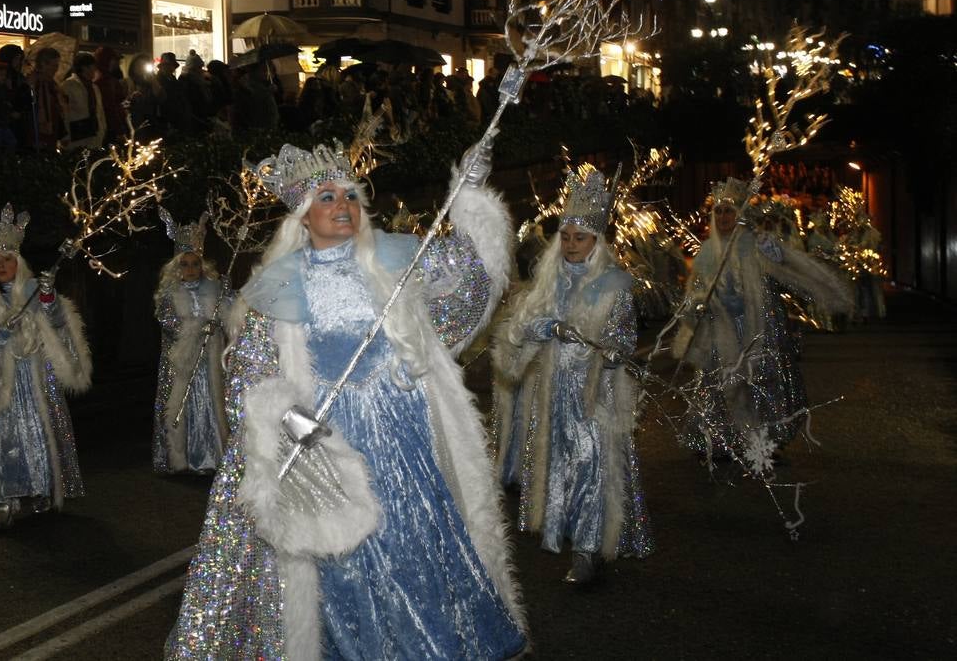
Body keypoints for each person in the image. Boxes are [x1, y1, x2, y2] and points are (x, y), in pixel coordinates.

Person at [166, 139, 528, 659]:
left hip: (405, 437)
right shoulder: (277, 287)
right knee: (350, 561)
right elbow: (252, 385)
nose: (343, 206)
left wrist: (468, 191)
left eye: (350, 195)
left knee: (416, 549)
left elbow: (474, 278)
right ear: (303, 218)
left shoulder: (398, 260)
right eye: (327, 197)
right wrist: (304, 433)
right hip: (334, 444)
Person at [493, 168, 652, 585]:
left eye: (579, 238)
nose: (570, 245)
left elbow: (623, 336)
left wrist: (615, 351)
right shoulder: (551, 281)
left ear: (597, 241)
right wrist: (550, 328)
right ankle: (578, 538)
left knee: (594, 464)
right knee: (563, 464)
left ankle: (586, 549)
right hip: (554, 395)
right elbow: (522, 328)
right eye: (565, 237)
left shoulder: (615, 284)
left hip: (594, 393)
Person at [672, 178, 852, 462]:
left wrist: (777, 254)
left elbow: (786, 268)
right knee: (718, 385)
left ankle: (762, 442)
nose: (723, 217)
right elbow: (695, 291)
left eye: (729, 211)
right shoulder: (707, 250)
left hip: (757, 328)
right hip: (721, 328)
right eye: (718, 211)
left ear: (741, 213)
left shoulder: (756, 244)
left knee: (759, 384)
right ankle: (720, 439)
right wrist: (699, 304)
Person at [0, 204, 92, 530]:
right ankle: (4, 504)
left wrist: (47, 302)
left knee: (39, 433)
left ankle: (42, 494)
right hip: (2, 380)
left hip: (35, 378)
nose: (2, 266)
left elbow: (61, 326)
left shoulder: (35, 291)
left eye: (7, 260)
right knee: (4, 441)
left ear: (18, 263)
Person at [153, 210, 230, 474]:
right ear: (177, 268)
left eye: (195, 264)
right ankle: (188, 457)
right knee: (186, 405)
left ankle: (214, 455)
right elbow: (168, 323)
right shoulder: (170, 295)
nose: (191, 270)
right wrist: (196, 328)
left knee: (213, 402)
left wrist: (225, 304)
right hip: (185, 361)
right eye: (185, 265)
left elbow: (229, 317)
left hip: (211, 360)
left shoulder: (214, 289)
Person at [60, 52, 106, 151]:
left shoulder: (94, 87)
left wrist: (103, 128)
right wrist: (65, 135)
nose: (95, 70)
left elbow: (99, 110)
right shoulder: (68, 85)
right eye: (93, 67)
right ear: (85, 68)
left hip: (95, 134)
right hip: (77, 135)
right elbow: (64, 112)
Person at [228, 59, 279, 134]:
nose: (268, 73)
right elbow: (257, 109)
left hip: (262, 130)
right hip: (256, 132)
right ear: (255, 70)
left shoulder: (260, 86)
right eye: (264, 69)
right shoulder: (247, 87)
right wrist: (267, 93)